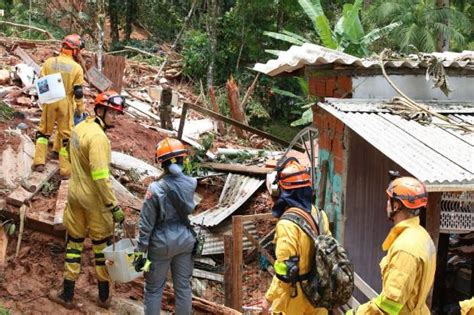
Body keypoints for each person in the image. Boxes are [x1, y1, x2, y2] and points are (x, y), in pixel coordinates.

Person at [48, 91, 126, 309]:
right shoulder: (99, 138)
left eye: (117, 114)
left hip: (75, 196)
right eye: (112, 113)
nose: (115, 117)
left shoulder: (79, 128)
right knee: (101, 247)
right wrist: (114, 206)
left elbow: (66, 153)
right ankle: (103, 296)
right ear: (100, 110)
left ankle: (67, 294)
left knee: (74, 244)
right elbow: (101, 178)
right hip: (94, 201)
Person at [348, 176, 436, 315]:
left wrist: (355, 313)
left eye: (389, 200)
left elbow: (389, 304)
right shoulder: (422, 235)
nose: (387, 204)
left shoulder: (405, 249)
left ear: (396, 206)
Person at [134, 137, 197, 315]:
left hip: (161, 243)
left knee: (154, 290)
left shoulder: (155, 189)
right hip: (185, 239)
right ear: (182, 159)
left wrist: (140, 252)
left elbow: (146, 225)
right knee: (183, 287)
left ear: (162, 163)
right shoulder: (191, 183)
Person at [261, 158, 330, 315]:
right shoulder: (320, 215)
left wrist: (269, 298)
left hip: (294, 298)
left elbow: (285, 270)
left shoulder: (287, 224)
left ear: (282, 191)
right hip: (318, 294)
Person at [32, 34, 85, 177]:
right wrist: (80, 108)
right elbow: (78, 91)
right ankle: (65, 170)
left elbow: (41, 82)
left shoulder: (49, 62)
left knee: (43, 132)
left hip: (49, 101)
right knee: (66, 135)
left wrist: (43, 99)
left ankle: (39, 162)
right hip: (65, 102)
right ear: (75, 50)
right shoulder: (76, 68)